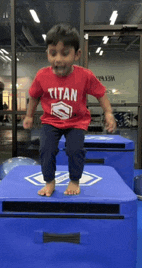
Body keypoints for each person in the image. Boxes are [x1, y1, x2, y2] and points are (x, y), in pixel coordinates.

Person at [23, 24, 116, 197]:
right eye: (53, 53)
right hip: (51, 121)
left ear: (77, 54)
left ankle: (74, 180)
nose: (58, 59)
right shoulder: (42, 75)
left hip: (76, 122)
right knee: (46, 149)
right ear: (47, 54)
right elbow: (34, 95)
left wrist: (108, 113)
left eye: (65, 53)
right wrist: (29, 115)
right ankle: (49, 181)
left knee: (75, 150)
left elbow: (101, 94)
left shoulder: (85, 76)